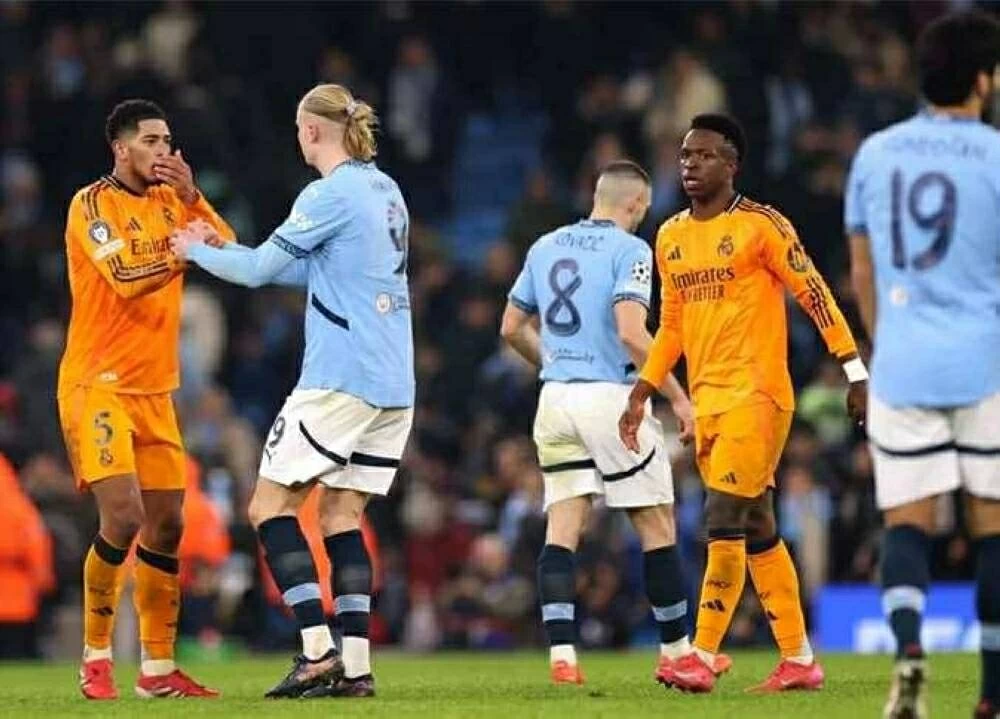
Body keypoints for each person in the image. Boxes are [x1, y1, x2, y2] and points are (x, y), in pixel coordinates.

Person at [171, 83, 413, 700]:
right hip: (394, 382)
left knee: (268, 507)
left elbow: (258, 273)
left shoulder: (327, 193)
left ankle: (315, 651)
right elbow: (314, 268)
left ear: (311, 131)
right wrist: (226, 248)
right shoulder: (386, 189)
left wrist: (195, 250)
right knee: (341, 516)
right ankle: (355, 669)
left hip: (341, 378)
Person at [619, 113, 867, 693]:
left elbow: (814, 293)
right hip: (709, 399)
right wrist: (642, 391)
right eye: (685, 155)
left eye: (704, 155)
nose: (690, 164)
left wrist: (854, 369)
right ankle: (799, 659)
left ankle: (701, 655)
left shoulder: (762, 225)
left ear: (731, 165)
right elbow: (672, 327)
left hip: (758, 395)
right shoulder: (670, 235)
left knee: (722, 517)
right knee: (757, 527)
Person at [501, 160, 726, 686]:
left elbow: (511, 326)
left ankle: (562, 656)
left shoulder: (545, 245)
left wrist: (556, 362)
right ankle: (677, 653)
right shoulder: (631, 250)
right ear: (637, 204)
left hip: (555, 400)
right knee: (656, 524)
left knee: (563, 527)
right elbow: (631, 332)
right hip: (611, 397)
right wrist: (678, 398)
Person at [846, 11, 1000, 719]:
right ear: (982, 80)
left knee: (906, 524)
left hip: (904, 363)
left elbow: (863, 271)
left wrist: (889, 344)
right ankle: (992, 694)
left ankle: (909, 652)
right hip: (985, 362)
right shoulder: (996, 155)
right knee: (991, 525)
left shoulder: (874, 155)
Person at [58, 99, 233, 700]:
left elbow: (228, 248)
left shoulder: (169, 201)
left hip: (156, 389)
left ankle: (158, 670)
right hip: (98, 385)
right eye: (152, 141)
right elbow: (126, 277)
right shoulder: (91, 205)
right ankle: (96, 657)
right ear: (121, 148)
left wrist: (191, 199)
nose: (164, 151)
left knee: (168, 524)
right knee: (124, 515)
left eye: (168, 141)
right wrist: (183, 250)